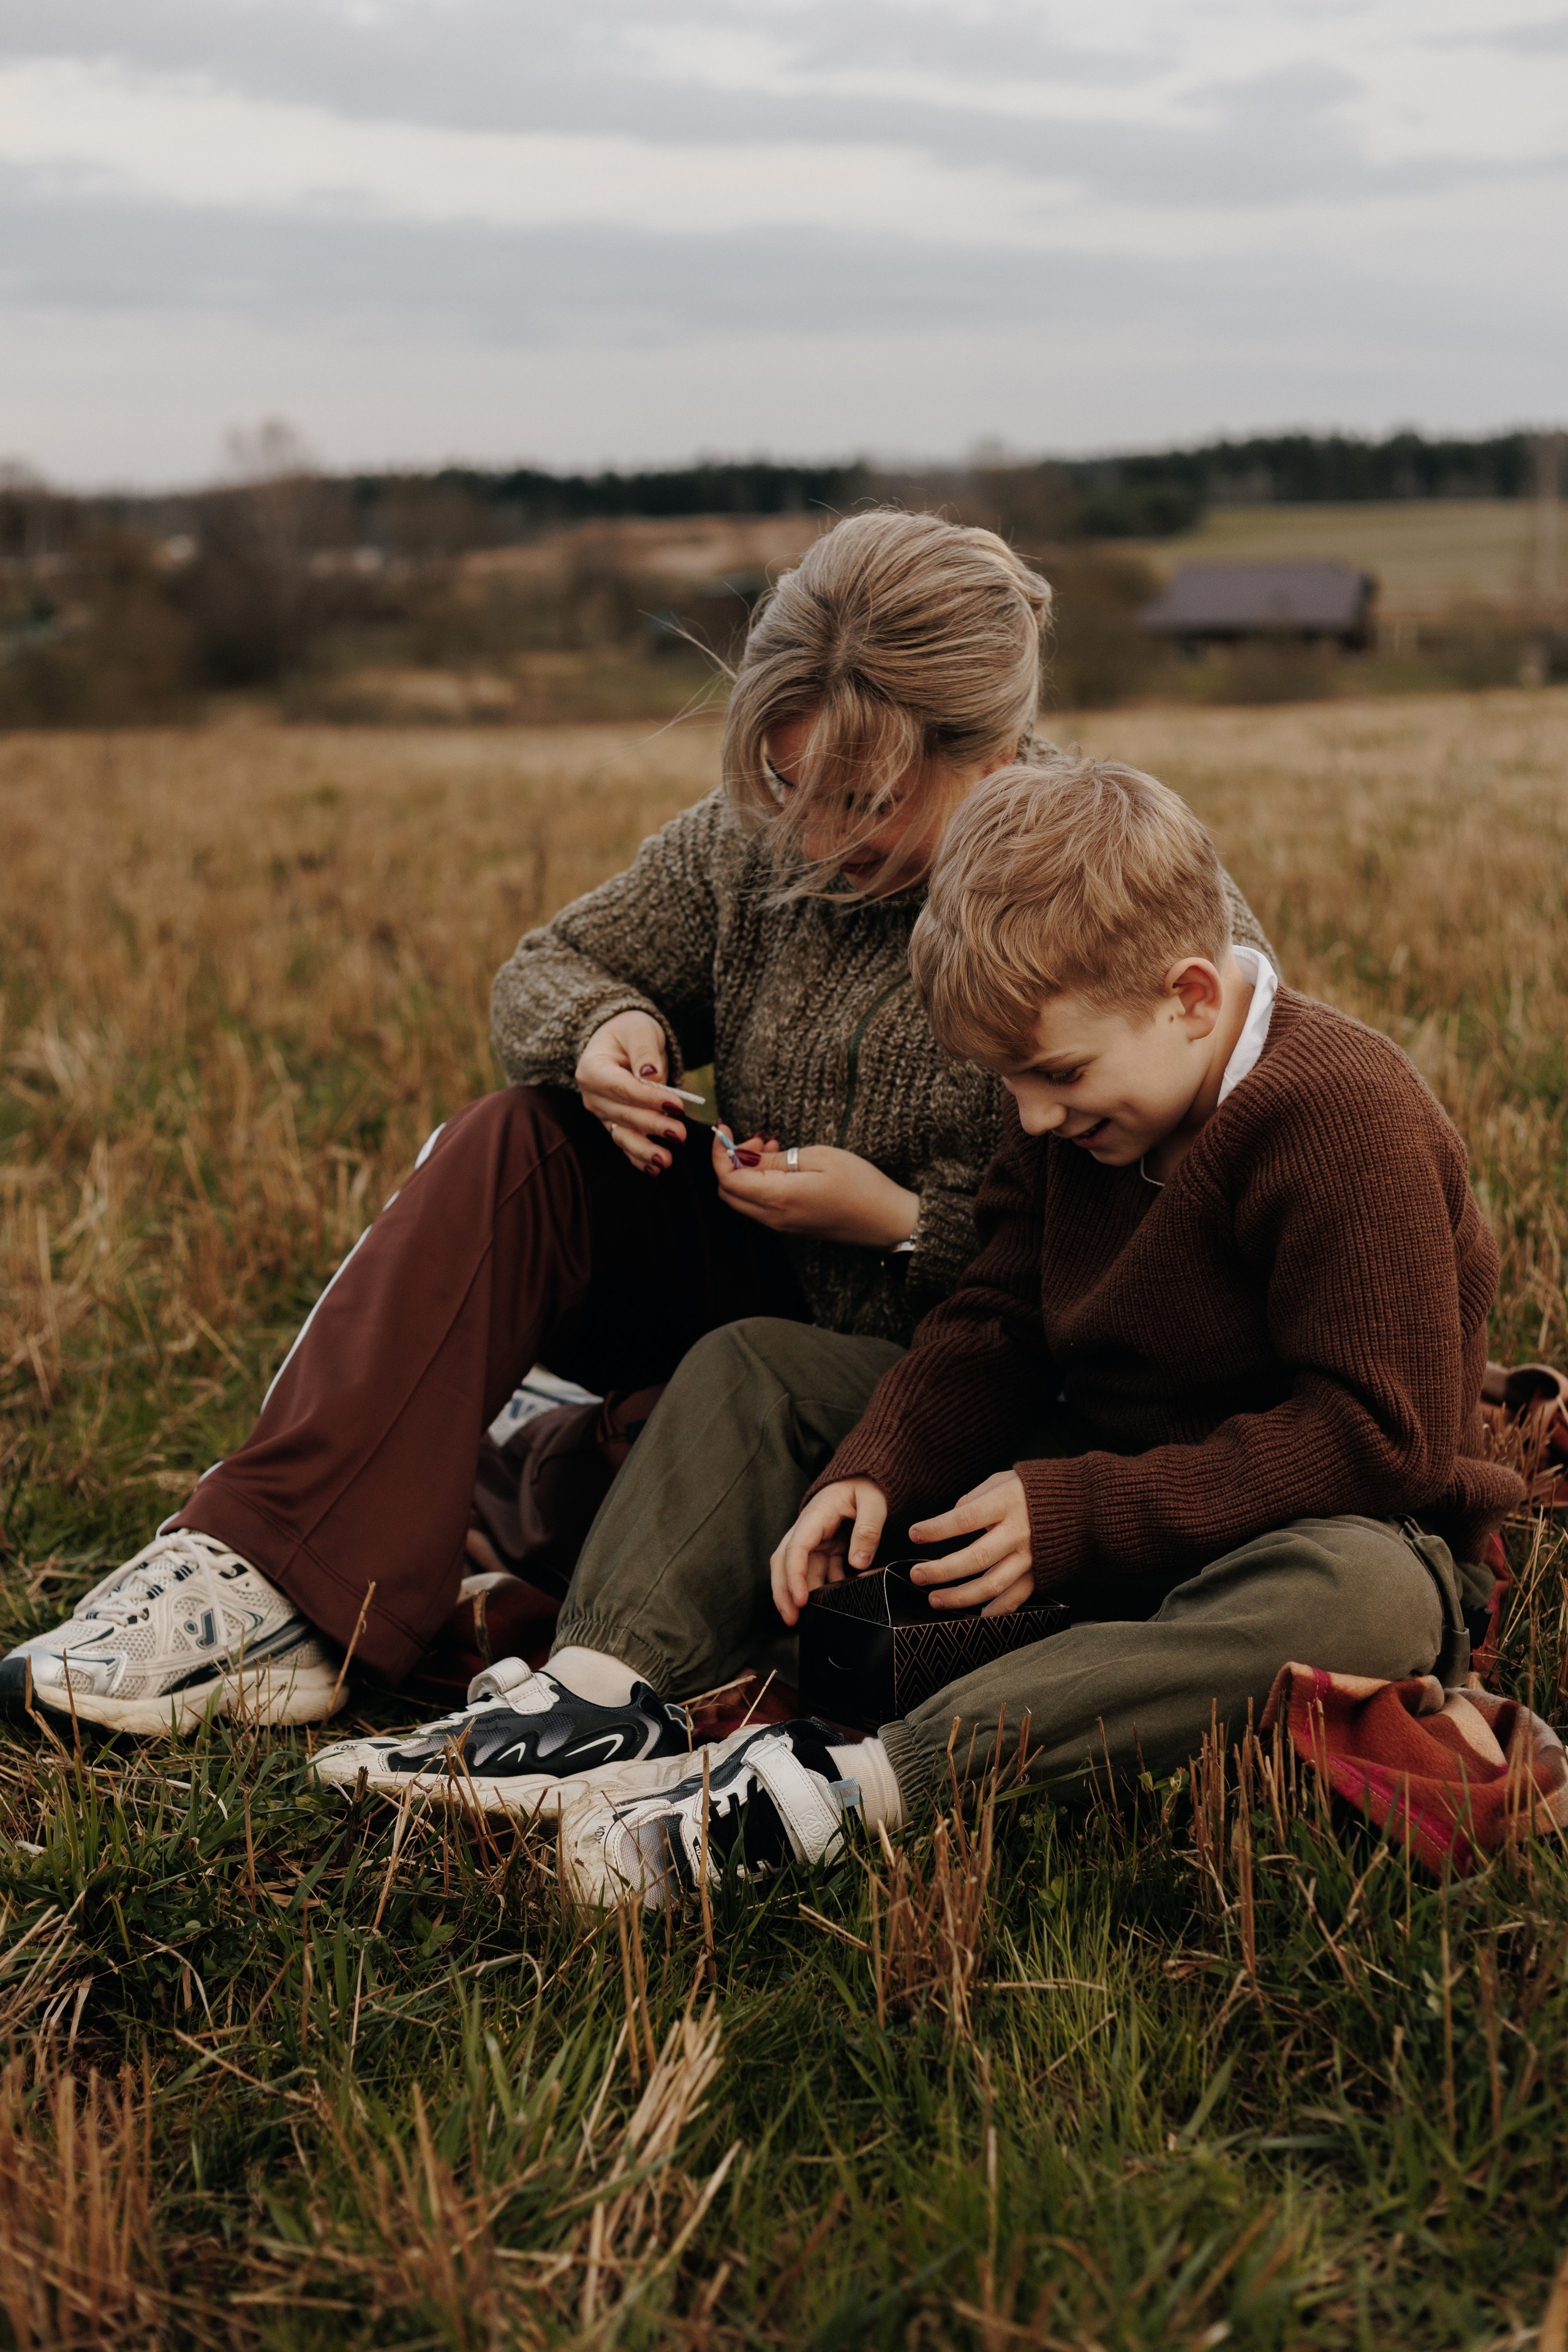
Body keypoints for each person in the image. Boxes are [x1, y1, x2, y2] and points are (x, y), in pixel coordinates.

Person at [3, 516, 1276, 1739]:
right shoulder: (755, 844)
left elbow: (1179, 1258)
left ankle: (541, 1492)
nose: (817, 839)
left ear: (992, 756)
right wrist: (607, 1032)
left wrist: (899, 1225)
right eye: (788, 784)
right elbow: (547, 965)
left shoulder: (1121, 879)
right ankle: (268, 1586)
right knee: (522, 1142)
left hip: (958, 1384)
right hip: (751, 1293)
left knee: (634, 1462)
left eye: (862, 799)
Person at [308, 752, 1521, 1908]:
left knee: (1363, 1605)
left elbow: (1384, 1442)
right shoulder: (1074, 1114)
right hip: (1077, 1452)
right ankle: (601, 1690)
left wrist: (1077, 1517)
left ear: (1190, 999)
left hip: (1307, 1521)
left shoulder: (1339, 1120)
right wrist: (880, 1467)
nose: (1034, 1118)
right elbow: (994, 1314)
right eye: (1011, 1085)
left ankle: (846, 1788)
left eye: (1055, 1073)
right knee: (755, 1365)